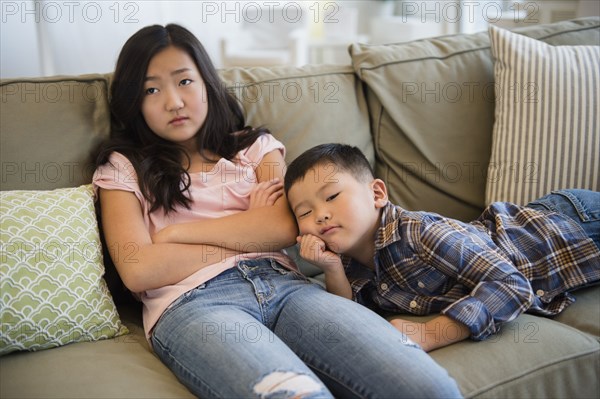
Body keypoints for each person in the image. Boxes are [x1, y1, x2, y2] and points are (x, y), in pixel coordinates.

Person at [93, 24, 463, 399]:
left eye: (184, 81)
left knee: (428, 387)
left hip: (289, 288)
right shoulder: (123, 167)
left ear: (206, 82)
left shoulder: (254, 146)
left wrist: (173, 236)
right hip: (195, 305)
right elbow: (138, 268)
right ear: (134, 103)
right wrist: (251, 228)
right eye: (151, 90)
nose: (173, 101)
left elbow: (287, 226)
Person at [284, 143, 600, 353]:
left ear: (377, 194)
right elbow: (351, 312)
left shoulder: (420, 232)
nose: (320, 214)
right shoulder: (352, 265)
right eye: (304, 212)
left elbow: (511, 284)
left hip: (570, 223)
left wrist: (432, 333)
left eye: (331, 197)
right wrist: (332, 268)